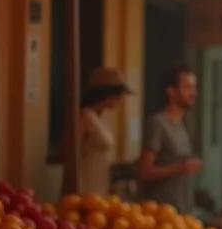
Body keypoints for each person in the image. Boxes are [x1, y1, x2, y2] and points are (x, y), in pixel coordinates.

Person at [137, 66, 201, 212]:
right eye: (187, 87)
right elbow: (144, 171)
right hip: (161, 213)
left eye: (194, 88)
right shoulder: (158, 123)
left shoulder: (183, 124)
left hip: (183, 212)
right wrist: (180, 167)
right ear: (170, 90)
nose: (194, 93)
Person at [77, 68, 131, 196]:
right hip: (86, 183)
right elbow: (69, 150)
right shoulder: (85, 117)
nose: (119, 100)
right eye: (117, 95)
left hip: (101, 183)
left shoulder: (103, 117)